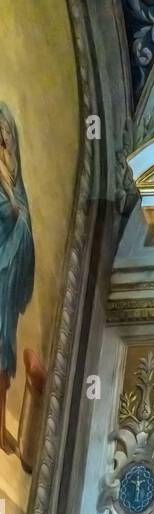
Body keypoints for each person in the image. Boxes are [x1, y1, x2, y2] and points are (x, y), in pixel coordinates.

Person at [0, 104, 35, 456]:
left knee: (4, 349)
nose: (6, 139)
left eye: (8, 132)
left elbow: (18, 210)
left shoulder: (12, 175)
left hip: (6, 275)